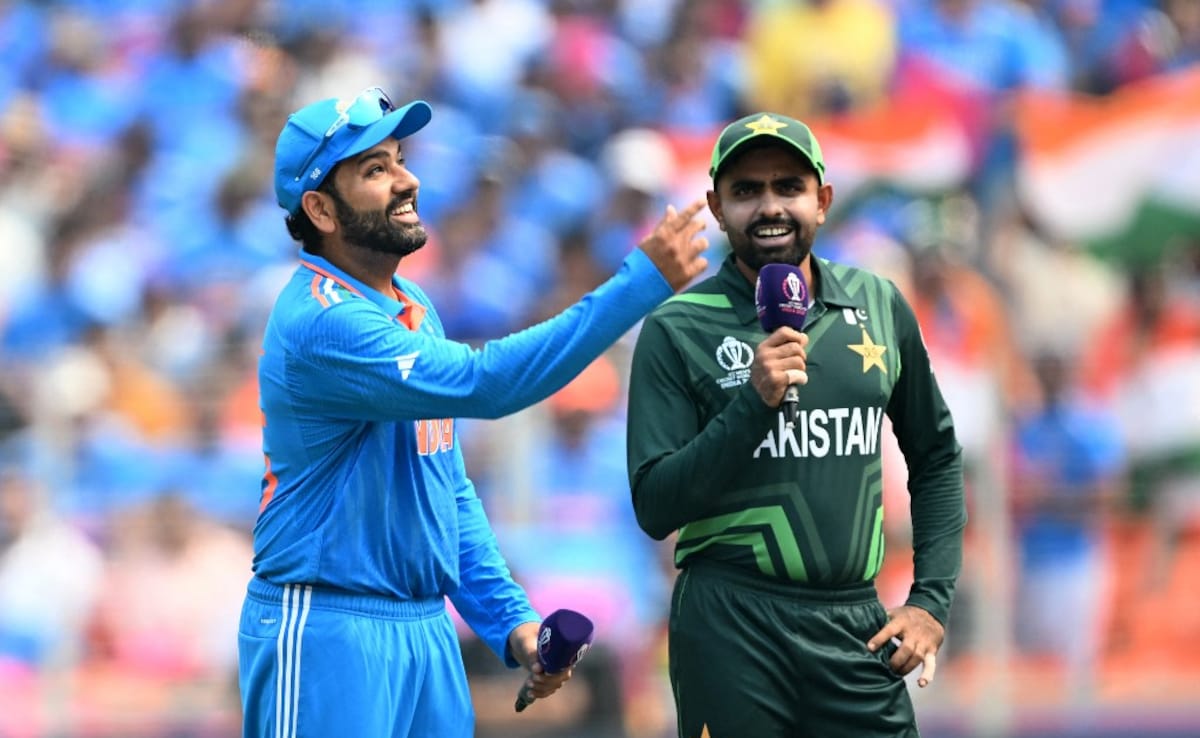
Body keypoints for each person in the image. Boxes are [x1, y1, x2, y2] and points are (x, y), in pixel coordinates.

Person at [237, 86, 708, 738]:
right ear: (319, 208)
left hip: (425, 630)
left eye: (400, 160)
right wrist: (640, 284)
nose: (407, 180)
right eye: (374, 169)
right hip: (329, 628)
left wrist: (511, 622)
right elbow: (488, 385)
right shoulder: (323, 320)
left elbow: (447, 493)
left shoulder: (413, 309)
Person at [625, 112, 967, 738]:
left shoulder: (879, 303)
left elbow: (937, 456)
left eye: (788, 187)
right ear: (717, 208)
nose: (770, 207)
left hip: (854, 624)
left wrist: (930, 602)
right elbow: (654, 506)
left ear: (823, 200)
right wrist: (752, 404)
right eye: (746, 191)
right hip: (730, 627)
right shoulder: (677, 326)